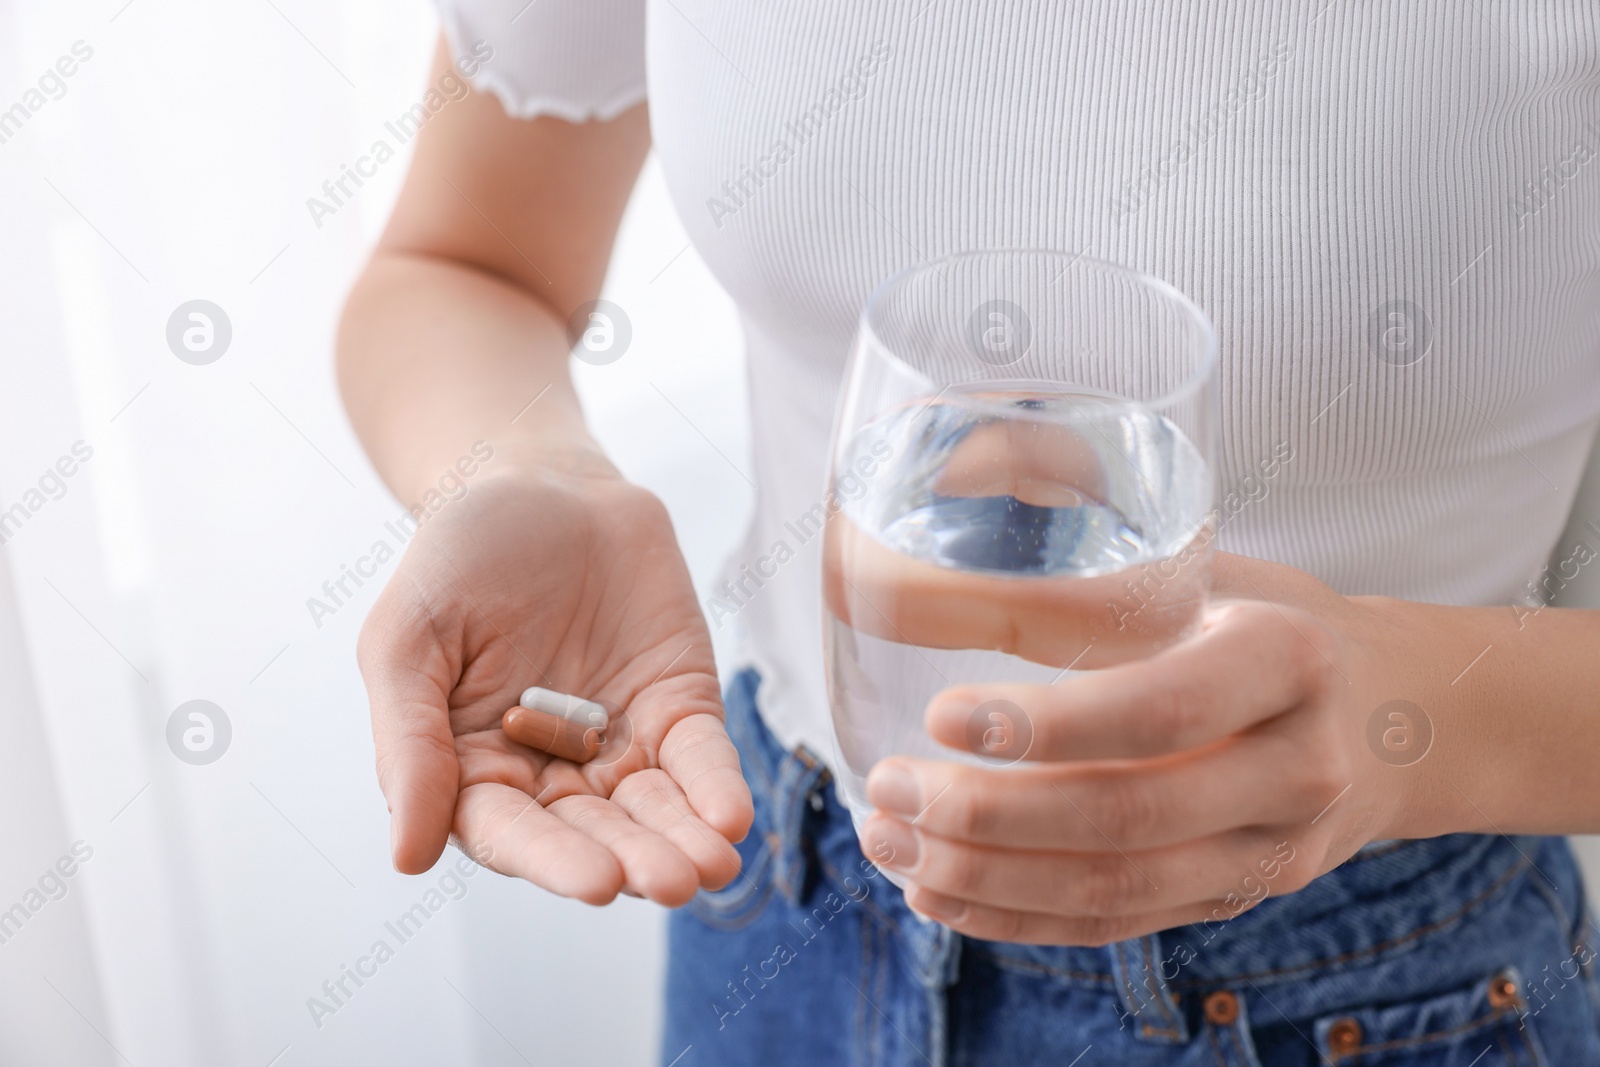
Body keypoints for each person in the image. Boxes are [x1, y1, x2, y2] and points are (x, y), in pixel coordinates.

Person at [337, 2, 1600, 1063]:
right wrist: (526, 472)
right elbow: (467, 259)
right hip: (774, 893)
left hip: (1364, 987)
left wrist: (1401, 721)